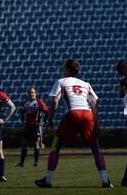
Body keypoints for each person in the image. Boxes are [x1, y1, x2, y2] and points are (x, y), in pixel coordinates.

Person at [35, 59, 112, 188]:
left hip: (74, 113)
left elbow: (54, 101)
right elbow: (94, 103)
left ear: (67, 70)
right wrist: (96, 124)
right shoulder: (85, 83)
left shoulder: (61, 81)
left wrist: (50, 119)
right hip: (87, 114)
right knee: (95, 149)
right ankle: (105, 180)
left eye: (64, 68)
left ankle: (48, 180)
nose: (62, 70)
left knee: (56, 146)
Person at [16, 87, 48, 167]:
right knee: (24, 143)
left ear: (36, 93)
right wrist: (23, 120)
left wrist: (44, 121)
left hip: (35, 126)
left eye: (32, 92)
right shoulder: (26, 103)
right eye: (30, 93)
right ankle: (21, 162)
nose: (31, 94)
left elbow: (46, 111)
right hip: (27, 126)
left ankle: (36, 162)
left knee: (36, 143)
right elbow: (22, 112)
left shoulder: (39, 102)